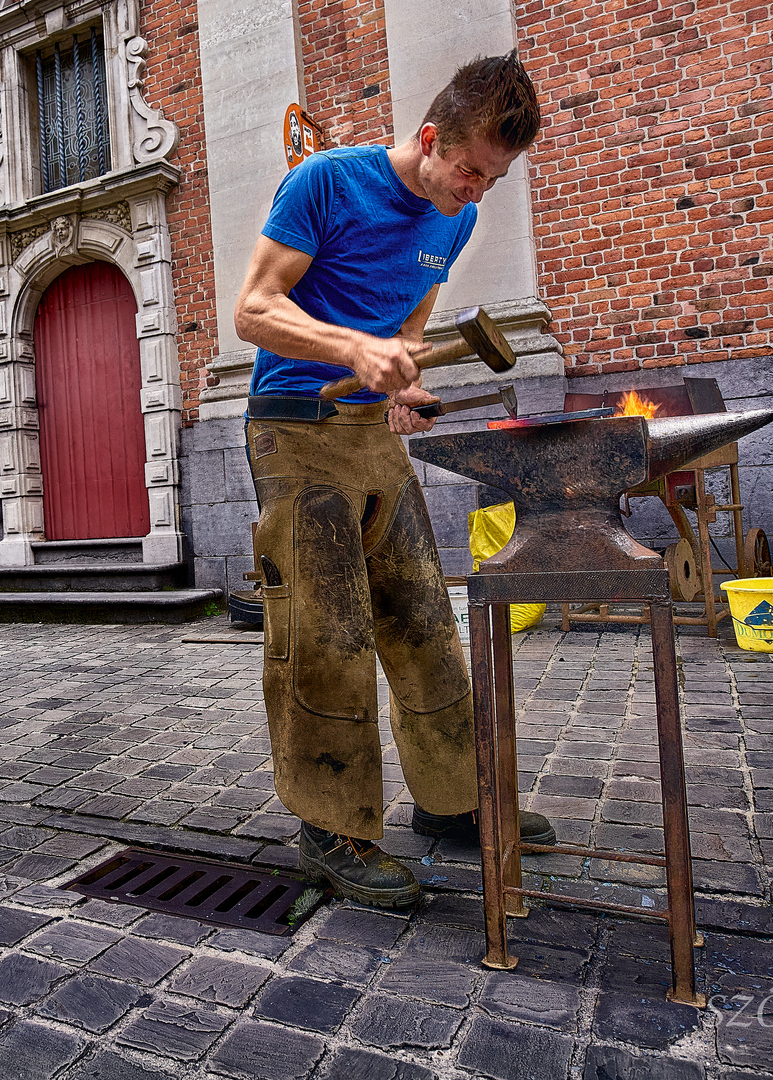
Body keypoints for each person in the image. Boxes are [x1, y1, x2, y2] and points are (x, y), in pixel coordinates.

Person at [233, 52, 555, 909]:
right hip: (295, 429)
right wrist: (350, 349)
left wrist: (404, 383)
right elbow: (252, 309)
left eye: (494, 176)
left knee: (423, 623)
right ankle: (332, 829)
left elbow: (409, 324)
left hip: (371, 436)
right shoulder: (326, 185)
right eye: (470, 168)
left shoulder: (455, 218)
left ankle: (454, 799)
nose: (478, 188)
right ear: (428, 137)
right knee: (325, 634)